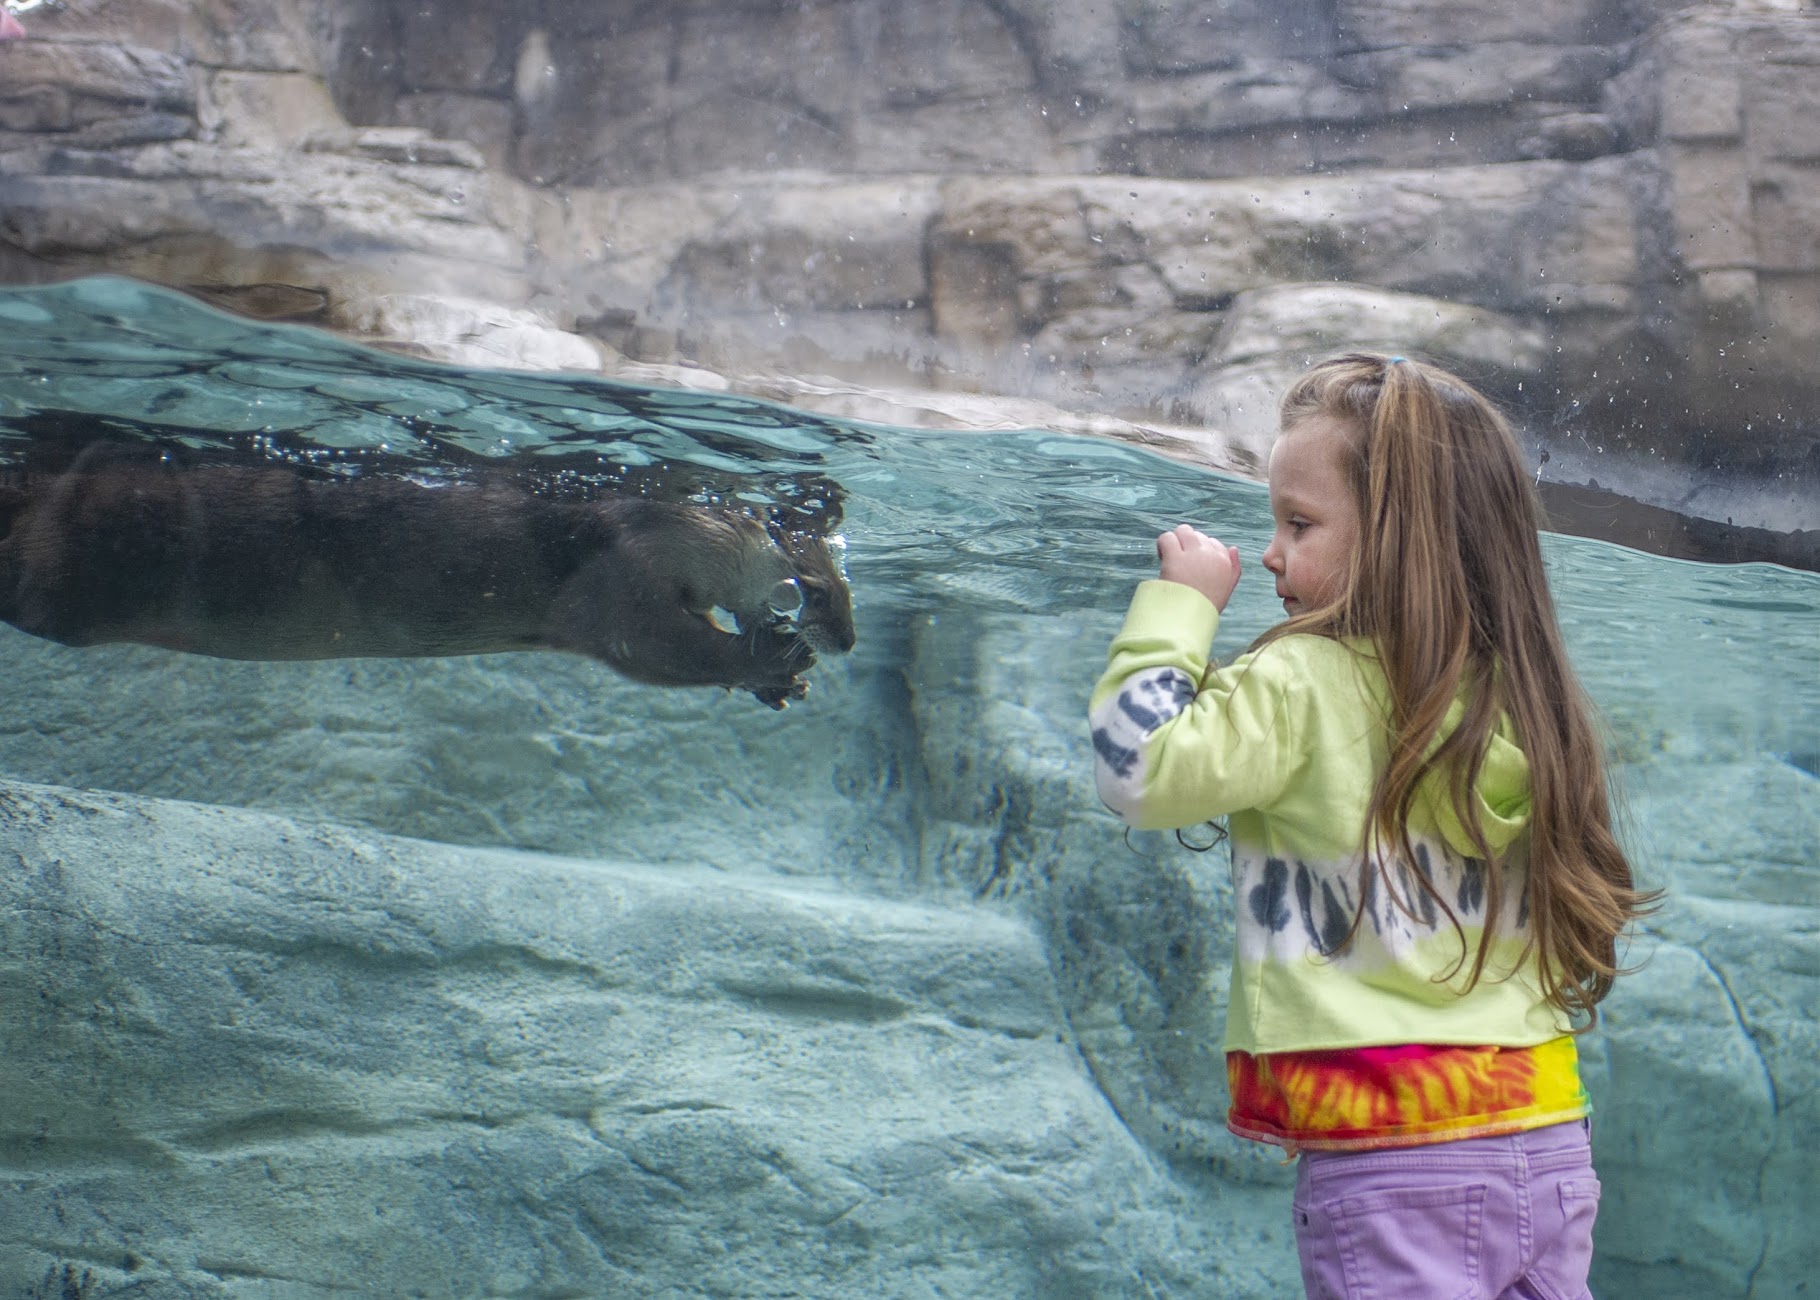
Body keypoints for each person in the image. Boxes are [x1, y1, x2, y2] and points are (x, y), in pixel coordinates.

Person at [1088, 353, 1655, 1299]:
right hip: (1548, 1137)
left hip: (1396, 1160)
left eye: (1298, 524)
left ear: (1401, 540)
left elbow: (1137, 771)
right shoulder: (1526, 700)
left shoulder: (1304, 682)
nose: (1270, 553)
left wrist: (1181, 608)